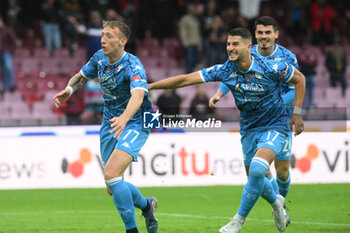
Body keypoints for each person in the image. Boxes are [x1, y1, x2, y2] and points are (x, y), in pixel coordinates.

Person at [148, 27, 305, 233]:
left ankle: (237, 221)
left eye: (235, 44)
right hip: (249, 129)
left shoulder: (272, 67)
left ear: (249, 47)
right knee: (255, 178)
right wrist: (150, 87)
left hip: (275, 125)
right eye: (228, 44)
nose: (230, 48)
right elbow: (186, 79)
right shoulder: (225, 70)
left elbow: (300, 79)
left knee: (258, 168)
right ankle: (277, 203)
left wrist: (298, 113)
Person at [53, 20, 158, 233]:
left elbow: (138, 96)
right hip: (111, 122)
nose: (103, 39)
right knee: (113, 186)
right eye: (102, 35)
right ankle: (147, 206)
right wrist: (69, 90)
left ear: (122, 41)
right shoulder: (99, 58)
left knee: (111, 174)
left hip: (138, 120)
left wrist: (125, 118)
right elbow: (80, 77)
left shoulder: (133, 65)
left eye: (109, 36)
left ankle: (132, 231)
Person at [212, 16, 299, 225]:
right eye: (260, 32)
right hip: (254, 122)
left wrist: (273, 103)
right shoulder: (246, 54)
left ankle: (281, 203)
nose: (263, 36)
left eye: (268, 32)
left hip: (281, 119)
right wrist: (218, 93)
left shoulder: (287, 57)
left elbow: (295, 87)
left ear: (276, 34)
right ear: (255, 36)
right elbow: (230, 74)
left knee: (283, 171)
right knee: (258, 169)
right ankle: (278, 208)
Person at [0, 15, 17, 94]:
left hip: (6, 52)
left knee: (9, 67)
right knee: (3, 71)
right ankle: (5, 87)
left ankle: (11, 85)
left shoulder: (7, 30)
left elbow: (13, 40)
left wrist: (11, 51)